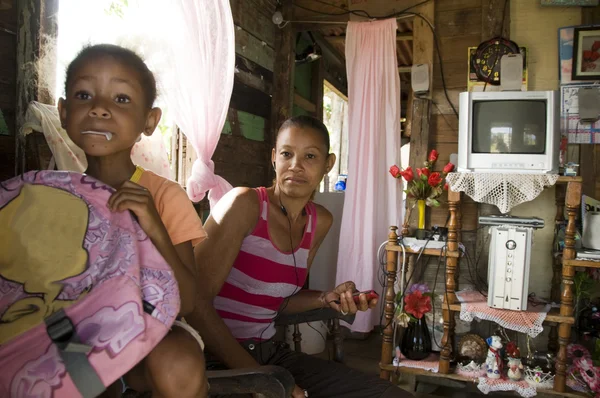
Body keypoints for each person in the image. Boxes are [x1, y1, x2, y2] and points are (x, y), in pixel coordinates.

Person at [187, 115, 412, 398]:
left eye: (310, 156)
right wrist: (258, 378)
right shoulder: (244, 205)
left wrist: (324, 298)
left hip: (270, 356)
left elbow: (276, 302)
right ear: (274, 158)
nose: (296, 165)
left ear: (328, 164)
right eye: (286, 154)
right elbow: (193, 303)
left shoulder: (320, 222)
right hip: (215, 360)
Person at [57, 44, 208, 398]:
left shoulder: (165, 197)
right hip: (75, 336)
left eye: (121, 99)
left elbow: (186, 302)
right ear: (64, 112)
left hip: (154, 333)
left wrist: (152, 223)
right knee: (68, 370)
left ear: (149, 121)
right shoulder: (54, 199)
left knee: (177, 362)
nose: (99, 108)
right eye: (84, 94)